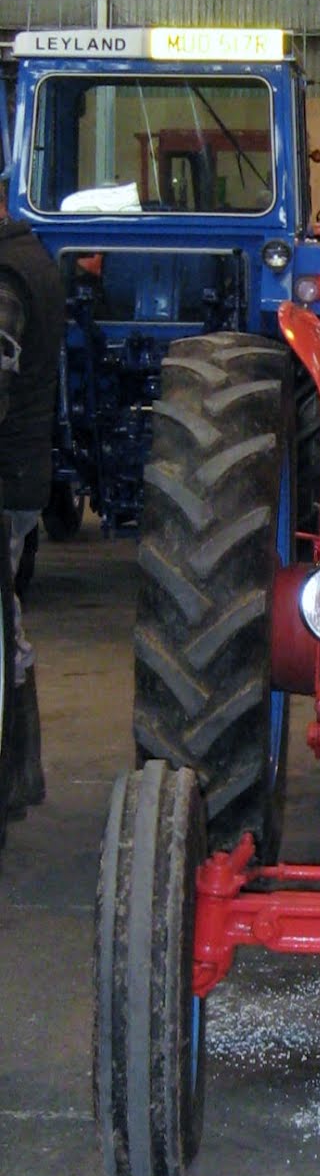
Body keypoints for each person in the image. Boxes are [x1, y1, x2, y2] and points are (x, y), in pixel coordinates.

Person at [0, 171, 66, 819]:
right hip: (20, 475)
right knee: (9, 625)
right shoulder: (29, 257)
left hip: (7, 479)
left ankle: (15, 780)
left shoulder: (8, 273)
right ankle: (18, 781)